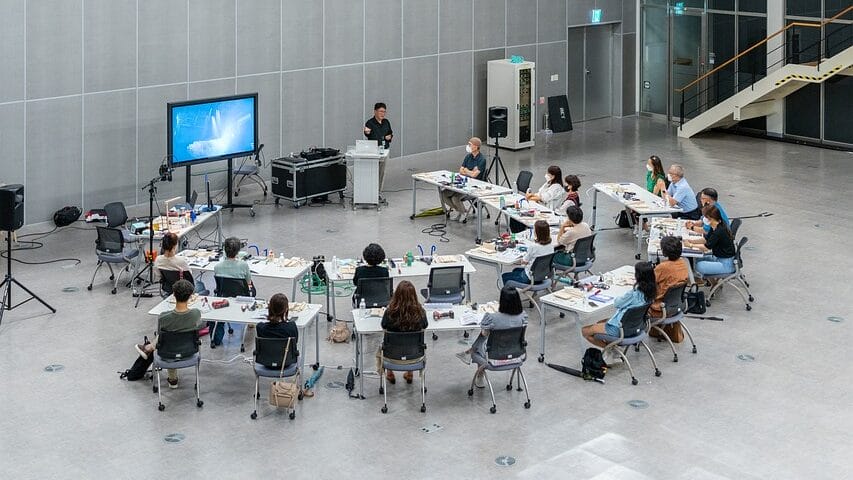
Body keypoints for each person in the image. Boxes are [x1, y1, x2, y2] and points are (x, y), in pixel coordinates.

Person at [134, 279, 203, 389]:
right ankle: (149, 348)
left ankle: (172, 379)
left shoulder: (163, 317)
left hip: (168, 353)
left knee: (168, 339)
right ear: (190, 296)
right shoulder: (196, 314)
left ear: (174, 295)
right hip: (189, 352)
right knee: (174, 338)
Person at [581, 262, 656, 363]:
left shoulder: (633, 294)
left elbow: (617, 303)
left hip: (620, 329)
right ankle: (612, 349)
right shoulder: (652, 292)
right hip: (637, 326)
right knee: (600, 322)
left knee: (585, 331)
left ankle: (613, 349)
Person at [455, 286, 528, 387]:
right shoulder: (523, 316)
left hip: (494, 358)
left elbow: (484, 334)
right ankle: (469, 352)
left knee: (482, 341)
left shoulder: (492, 318)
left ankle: (476, 368)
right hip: (516, 356)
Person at [378, 280, 428, 385]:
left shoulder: (390, 312)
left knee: (386, 344)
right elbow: (425, 325)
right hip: (415, 356)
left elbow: (383, 325)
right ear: (414, 295)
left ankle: (389, 373)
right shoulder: (420, 312)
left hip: (391, 356)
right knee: (410, 343)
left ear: (396, 295)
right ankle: (410, 373)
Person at [211, 236, 254, 346]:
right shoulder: (243, 265)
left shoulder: (217, 267)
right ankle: (249, 320)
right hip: (241, 296)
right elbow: (248, 282)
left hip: (223, 295)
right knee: (252, 288)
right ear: (238, 251)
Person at [685, 204, 736, 280]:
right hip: (719, 257)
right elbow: (706, 240)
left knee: (699, 266)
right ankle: (714, 283)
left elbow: (706, 247)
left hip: (726, 264)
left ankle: (705, 281)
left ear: (710, 218)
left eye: (705, 217)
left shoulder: (719, 231)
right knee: (698, 259)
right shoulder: (715, 226)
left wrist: (691, 245)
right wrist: (692, 241)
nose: (704, 219)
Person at [440, 137, 487, 221]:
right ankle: (460, 210)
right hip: (462, 182)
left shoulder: (482, 160)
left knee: (455, 198)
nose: (468, 146)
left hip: (473, 186)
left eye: (470, 145)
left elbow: (474, 175)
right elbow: (461, 170)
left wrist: (466, 170)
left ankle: (462, 213)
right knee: (443, 194)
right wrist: (469, 171)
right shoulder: (468, 157)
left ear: (476, 147)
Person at [501, 220, 554, 286]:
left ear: (536, 232)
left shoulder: (533, 247)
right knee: (516, 270)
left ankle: (509, 295)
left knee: (504, 276)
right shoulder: (551, 246)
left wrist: (521, 258)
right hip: (543, 275)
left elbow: (523, 262)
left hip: (530, 278)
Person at [648, 235, 689, 319]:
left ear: (664, 252)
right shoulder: (683, 263)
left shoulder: (663, 267)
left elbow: (648, 282)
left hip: (659, 308)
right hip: (677, 306)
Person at [364, 102, 394, 200]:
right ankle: (370, 191)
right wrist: (366, 132)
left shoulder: (386, 122)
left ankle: (378, 192)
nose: (383, 114)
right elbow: (367, 133)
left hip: (384, 150)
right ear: (375, 111)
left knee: (382, 172)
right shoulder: (370, 122)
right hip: (374, 150)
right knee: (373, 171)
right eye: (381, 111)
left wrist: (389, 137)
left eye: (384, 112)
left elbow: (390, 134)